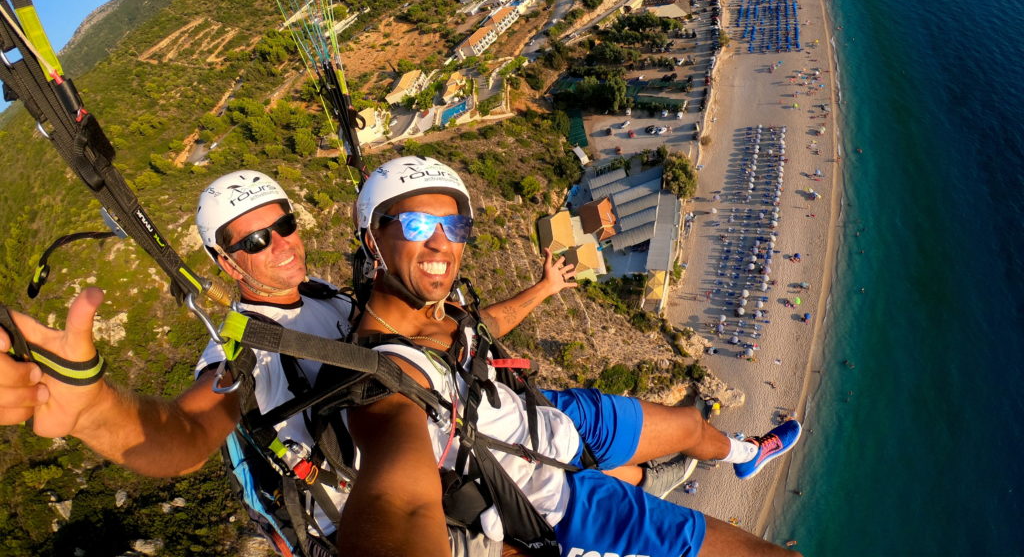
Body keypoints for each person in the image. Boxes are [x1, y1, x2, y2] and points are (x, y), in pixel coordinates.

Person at [0, 170, 501, 557]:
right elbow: (189, 432)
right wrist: (94, 410)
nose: (281, 245)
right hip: (367, 516)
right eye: (255, 241)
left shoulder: (324, 296)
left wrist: (543, 289)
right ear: (226, 261)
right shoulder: (240, 350)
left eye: (284, 225)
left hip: (420, 452)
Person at [341, 156, 803, 557]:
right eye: (418, 225)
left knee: (690, 425)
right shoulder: (387, 379)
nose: (442, 242)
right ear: (372, 239)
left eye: (455, 226)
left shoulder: (436, 309)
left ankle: (746, 453)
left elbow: (483, 327)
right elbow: (399, 504)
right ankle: (641, 480)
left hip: (546, 414)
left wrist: (544, 288)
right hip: (556, 496)